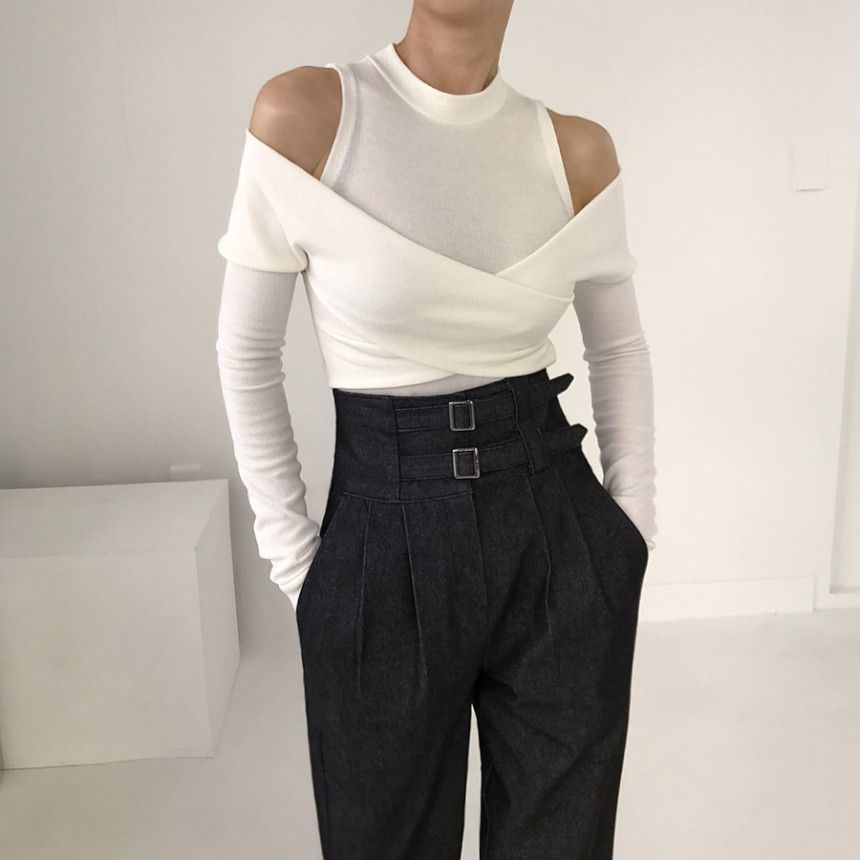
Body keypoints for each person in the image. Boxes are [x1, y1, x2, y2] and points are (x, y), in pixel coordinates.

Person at [216, 3, 656, 857]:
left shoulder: (576, 150)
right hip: (382, 532)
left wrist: (627, 530)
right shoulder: (309, 115)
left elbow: (620, 348)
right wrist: (301, 566)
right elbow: (246, 351)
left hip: (556, 531)